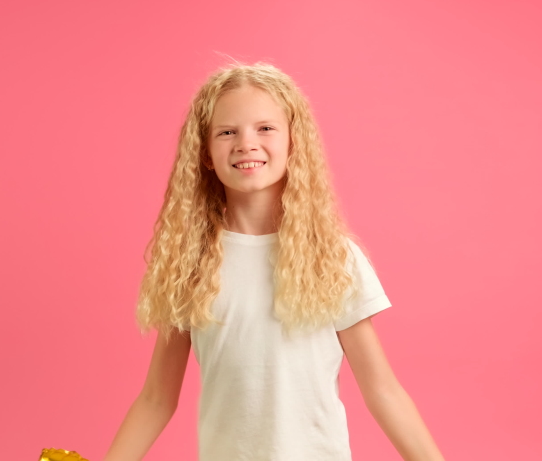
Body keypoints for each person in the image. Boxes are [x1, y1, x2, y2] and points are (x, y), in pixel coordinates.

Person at [103, 61, 445, 461]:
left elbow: (382, 390)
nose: (246, 143)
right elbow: (156, 400)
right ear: (207, 155)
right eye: (227, 132)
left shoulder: (331, 257)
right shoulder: (190, 264)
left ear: (293, 143)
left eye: (265, 128)